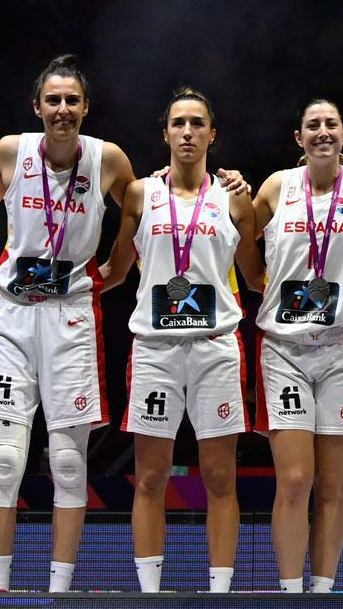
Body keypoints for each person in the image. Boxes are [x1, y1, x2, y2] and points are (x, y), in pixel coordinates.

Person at [0, 55, 134, 593]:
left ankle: (59, 592)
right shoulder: (10, 151)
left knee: (67, 462)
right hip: (13, 319)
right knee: (7, 462)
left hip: (71, 319)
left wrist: (111, 271)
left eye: (72, 100)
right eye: (53, 100)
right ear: (36, 106)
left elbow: (139, 212)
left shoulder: (107, 158)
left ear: (86, 107)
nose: (62, 109)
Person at [97, 87, 257, 594]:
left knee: (219, 478)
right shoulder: (141, 194)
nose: (187, 132)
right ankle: (149, 594)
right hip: (156, 352)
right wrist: (50, 284)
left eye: (197, 124)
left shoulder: (234, 198)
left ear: (212, 134)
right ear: (164, 133)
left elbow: (256, 279)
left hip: (215, 350)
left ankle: (221, 593)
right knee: (149, 478)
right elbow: (116, 271)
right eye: (178, 123)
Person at [244, 100, 343, 593]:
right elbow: (246, 253)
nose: (323, 132)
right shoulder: (274, 188)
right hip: (285, 350)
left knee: (334, 486)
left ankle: (323, 592)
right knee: (294, 480)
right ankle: (290, 592)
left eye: (331, 125)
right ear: (298, 137)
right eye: (313, 125)